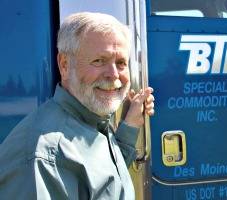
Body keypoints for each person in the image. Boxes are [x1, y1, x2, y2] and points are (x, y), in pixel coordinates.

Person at [0, 12, 154, 200]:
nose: (114, 75)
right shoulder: (44, 158)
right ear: (64, 65)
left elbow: (102, 178)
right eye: (99, 61)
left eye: (121, 63)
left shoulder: (90, 119)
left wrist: (131, 125)